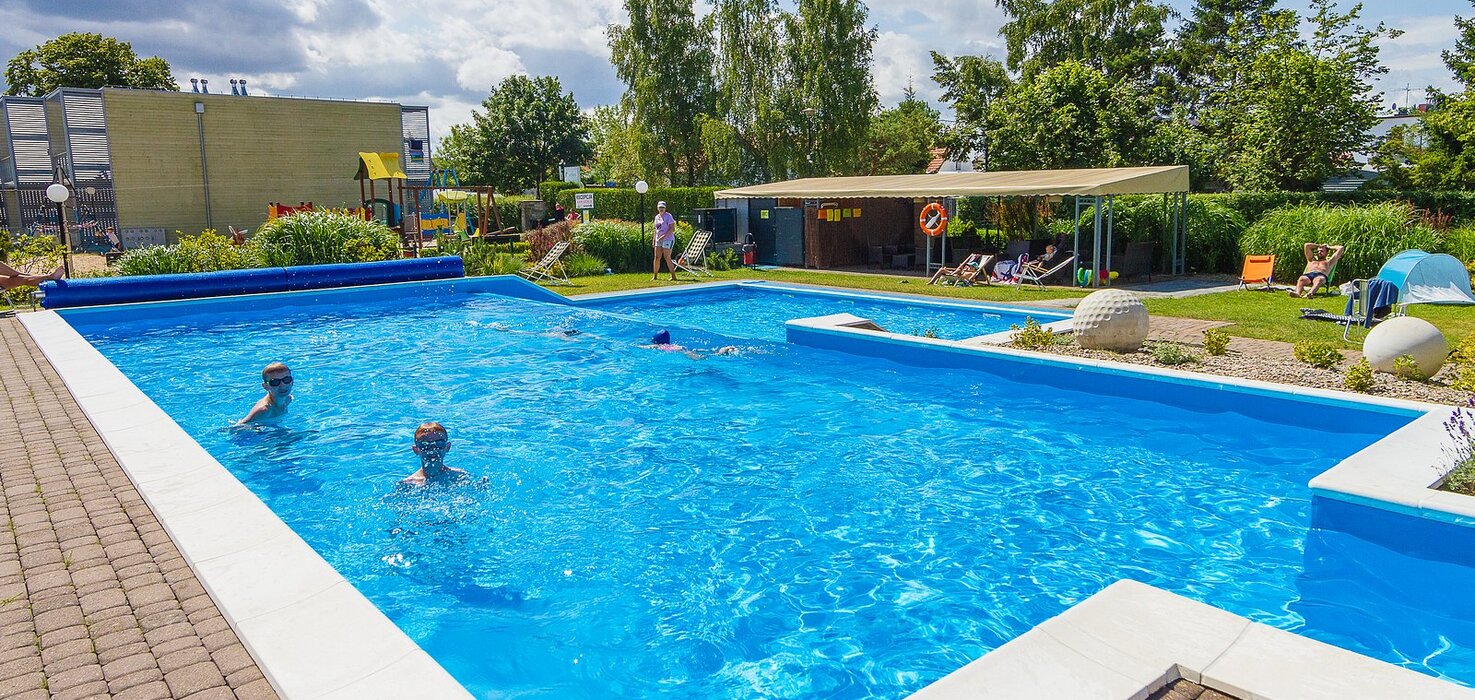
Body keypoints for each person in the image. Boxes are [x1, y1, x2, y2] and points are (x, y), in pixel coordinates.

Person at [400, 422, 469, 486]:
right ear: (416, 450)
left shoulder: (460, 477)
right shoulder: (408, 484)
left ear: (447, 447)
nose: (433, 449)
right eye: (425, 444)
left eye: (439, 443)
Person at [652, 201, 677, 281]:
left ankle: (673, 276)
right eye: (660, 207)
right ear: (657, 208)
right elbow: (656, 230)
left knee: (667, 257)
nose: (661, 209)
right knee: (657, 257)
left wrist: (664, 236)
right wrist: (654, 239)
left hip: (668, 239)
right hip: (658, 239)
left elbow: (672, 228)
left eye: (662, 207)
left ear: (665, 208)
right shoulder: (657, 217)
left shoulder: (668, 216)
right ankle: (655, 276)